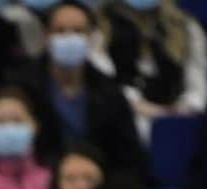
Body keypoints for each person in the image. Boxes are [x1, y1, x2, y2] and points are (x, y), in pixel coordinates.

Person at [9, 1, 145, 178]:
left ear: (90, 37)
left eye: (78, 31)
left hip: (97, 186)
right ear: (46, 35)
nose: (69, 38)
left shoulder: (110, 92)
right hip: (39, 185)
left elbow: (129, 158)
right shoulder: (22, 87)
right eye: (60, 31)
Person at [97, 0, 207, 145]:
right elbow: (101, 80)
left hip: (177, 119)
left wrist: (180, 110)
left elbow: (198, 86)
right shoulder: (102, 27)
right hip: (125, 118)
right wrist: (138, 105)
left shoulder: (187, 27)